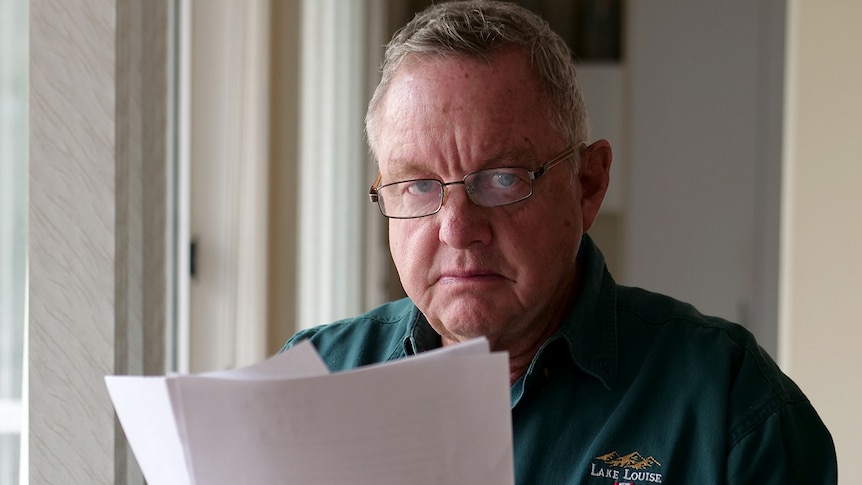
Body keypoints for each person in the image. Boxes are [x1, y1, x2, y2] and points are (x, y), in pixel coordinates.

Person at [284, 1, 837, 482]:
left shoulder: (730, 405)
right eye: (418, 185)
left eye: (502, 178)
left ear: (588, 184)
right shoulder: (312, 380)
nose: (456, 227)